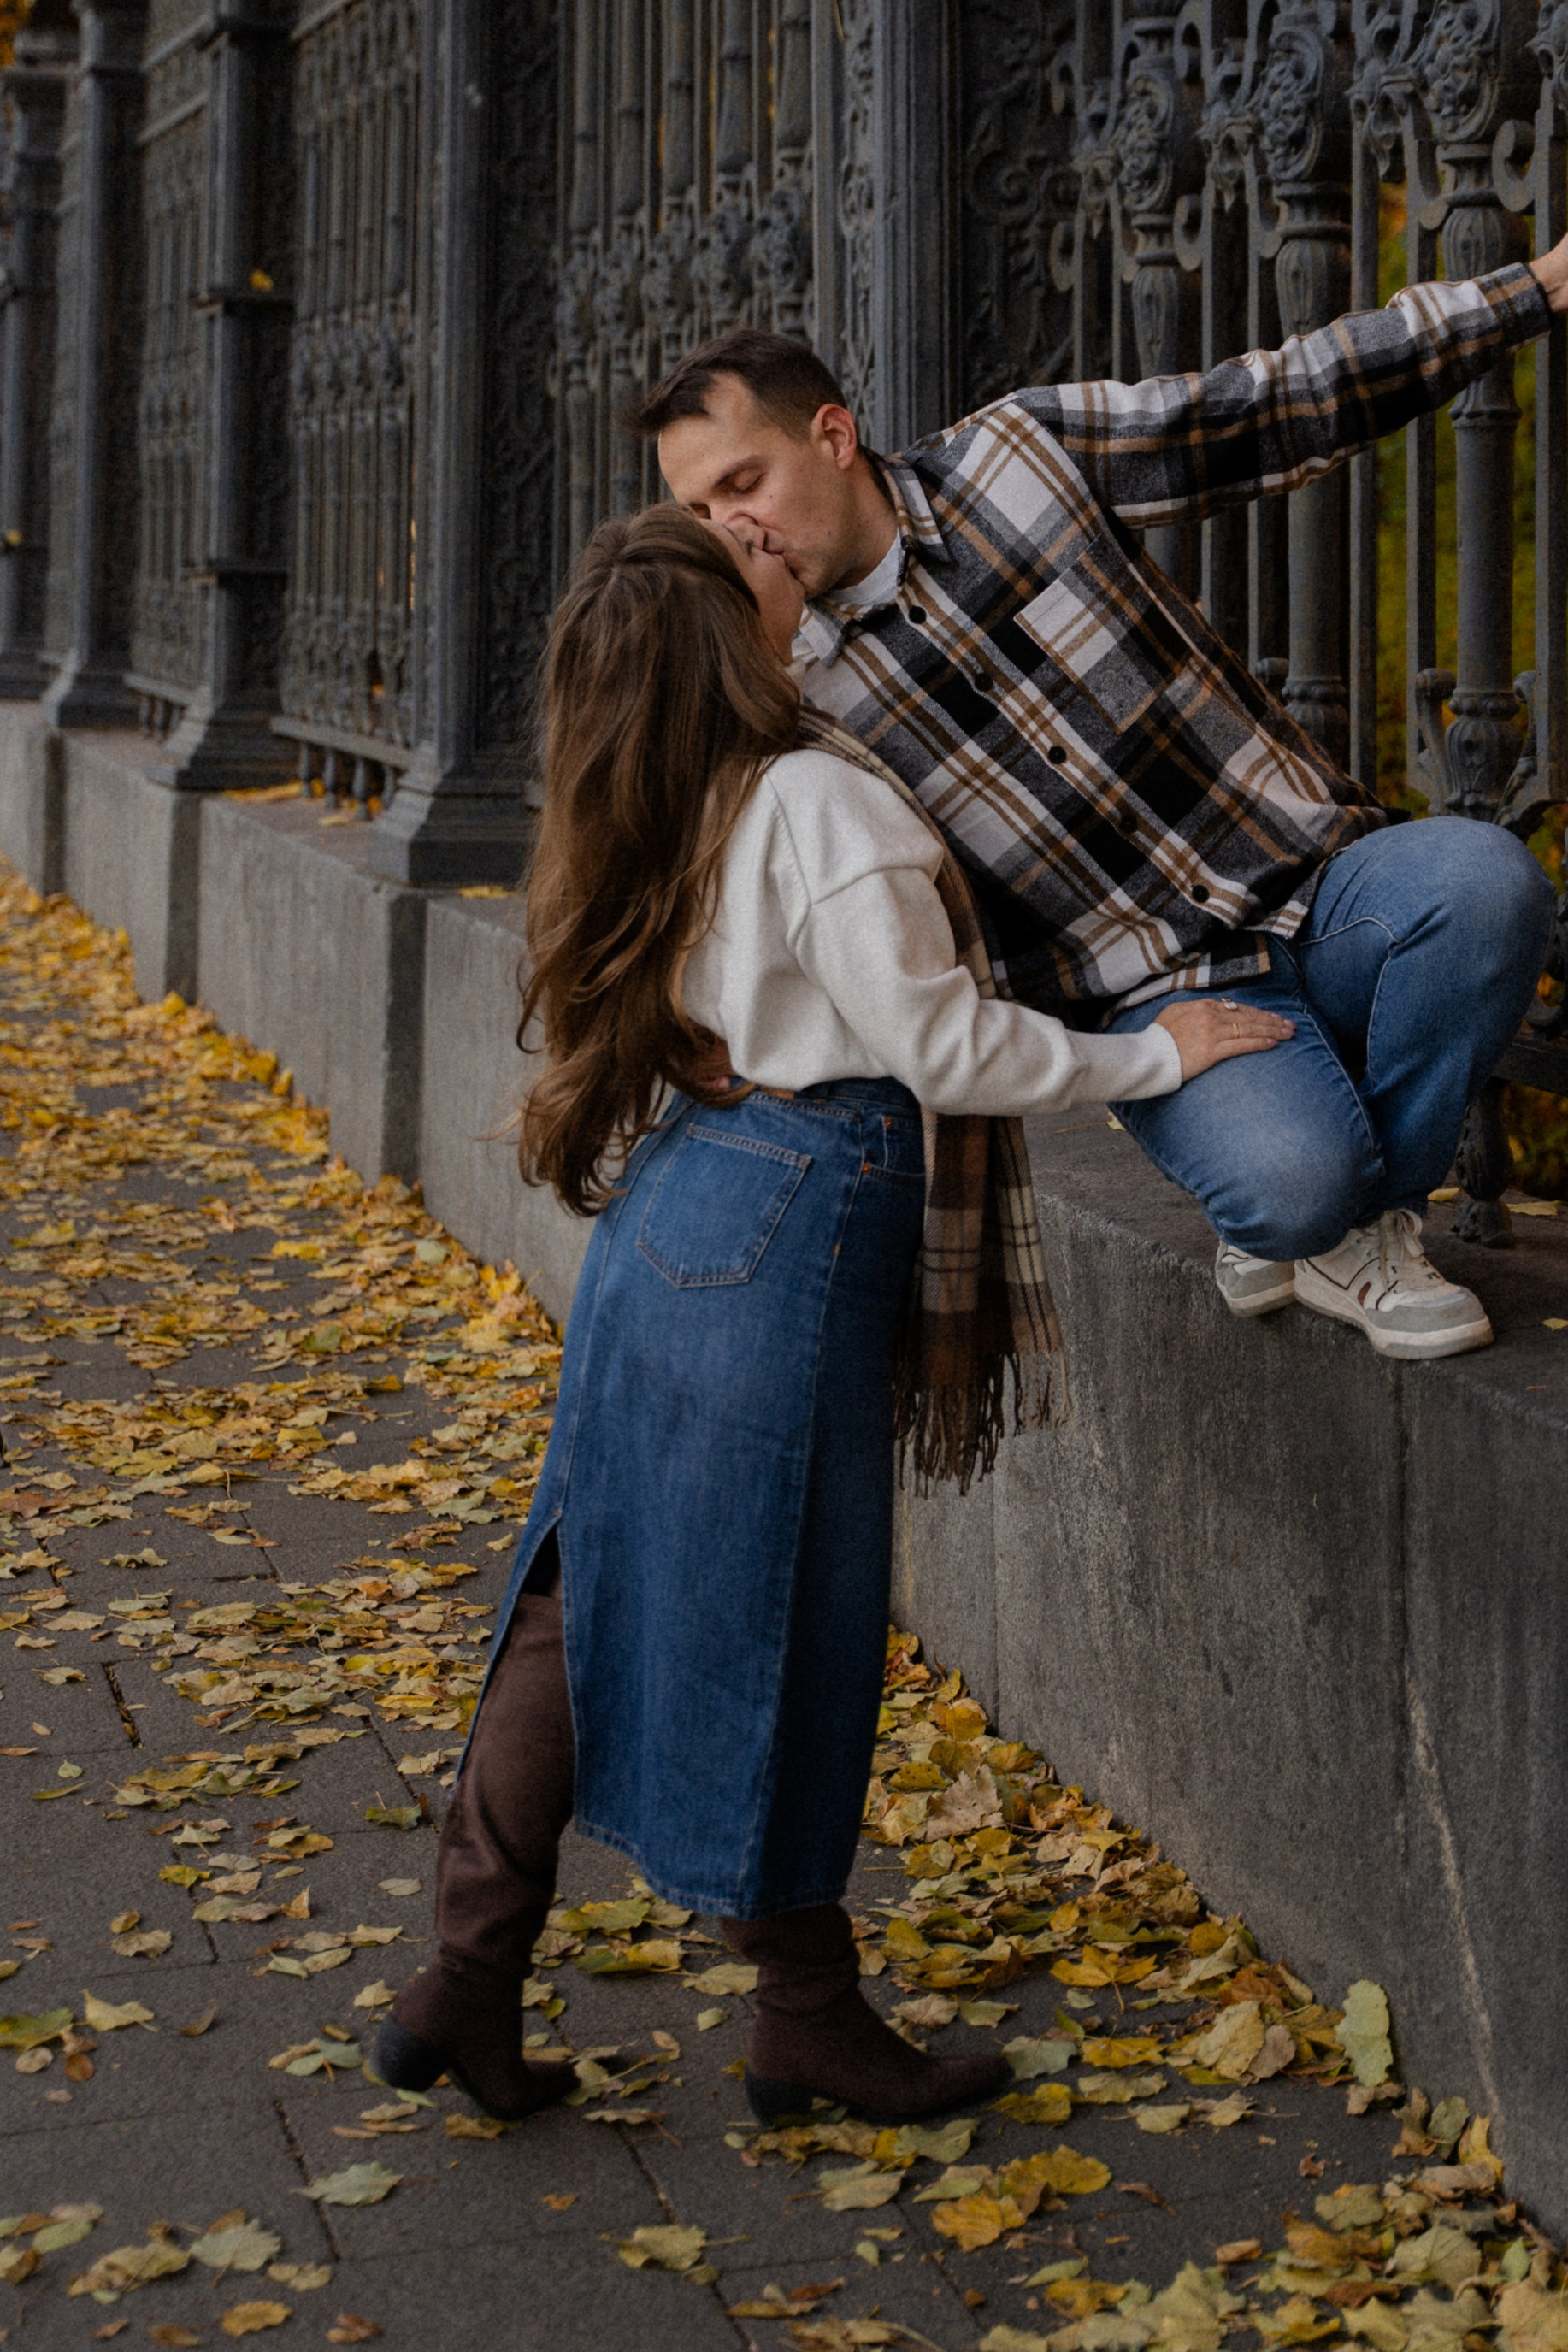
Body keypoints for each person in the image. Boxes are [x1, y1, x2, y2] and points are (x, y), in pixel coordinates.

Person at [374, 504, 1291, 2126]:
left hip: (683, 1203)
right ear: (738, 628)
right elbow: (944, 1051)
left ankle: (463, 1978)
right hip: (802, 1200)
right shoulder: (812, 797)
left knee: (575, 1595)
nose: (774, 538)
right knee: (788, 1609)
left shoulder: (666, 785)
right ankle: (802, 2010)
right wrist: (1161, 1057)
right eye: (750, 551)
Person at [647, 203, 1568, 1359]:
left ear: (831, 435)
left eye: (744, 482)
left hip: (1313, 889)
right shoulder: (782, 682)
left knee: (1485, 884)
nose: (732, 529)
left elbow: (1264, 410)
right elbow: (679, 828)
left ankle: (1349, 1228)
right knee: (1287, 1180)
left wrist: (1529, 290)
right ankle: (1308, 1207)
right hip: (1146, 998)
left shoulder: (1016, 456)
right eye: (699, 511)